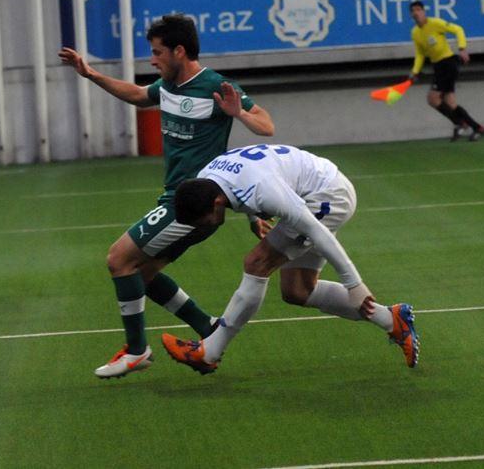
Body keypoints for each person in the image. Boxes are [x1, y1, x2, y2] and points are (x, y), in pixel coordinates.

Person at [58, 14, 275, 379]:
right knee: (141, 274)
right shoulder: (168, 86)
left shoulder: (215, 86)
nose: (152, 60)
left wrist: (239, 113)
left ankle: (137, 350)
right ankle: (207, 327)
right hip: (176, 199)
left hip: (195, 204)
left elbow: (266, 125)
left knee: (118, 259)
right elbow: (138, 95)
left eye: (157, 52)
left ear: (179, 51)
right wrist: (91, 74)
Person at [161, 143, 418, 374]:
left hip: (327, 195)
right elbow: (237, 187)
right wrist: (254, 217)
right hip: (314, 184)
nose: (202, 227)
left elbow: (316, 231)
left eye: (203, 221)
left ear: (216, 203)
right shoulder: (207, 178)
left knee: (257, 263)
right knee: (297, 290)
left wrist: (354, 283)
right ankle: (392, 319)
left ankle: (209, 352)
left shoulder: (264, 191)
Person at [407, 1, 484, 142]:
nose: (416, 13)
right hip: (438, 66)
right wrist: (415, 71)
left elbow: (458, 29)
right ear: (411, 14)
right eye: (413, 10)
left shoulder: (435, 23)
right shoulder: (415, 32)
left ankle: (460, 124)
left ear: (424, 12)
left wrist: (462, 48)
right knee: (450, 103)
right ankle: (478, 128)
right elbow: (420, 53)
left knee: (433, 98)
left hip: (448, 63)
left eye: (419, 9)